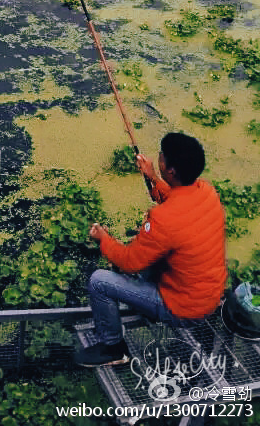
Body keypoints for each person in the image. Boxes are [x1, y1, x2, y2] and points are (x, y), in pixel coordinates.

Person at [74, 132, 227, 367]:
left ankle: (113, 348)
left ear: (171, 170)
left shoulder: (163, 220)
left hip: (182, 309)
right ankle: (144, 306)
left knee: (99, 281)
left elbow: (128, 261)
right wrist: (153, 177)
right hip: (209, 297)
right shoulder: (206, 191)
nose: (159, 158)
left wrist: (103, 239)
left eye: (162, 157)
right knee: (152, 249)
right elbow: (177, 202)